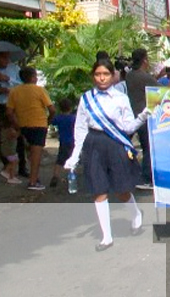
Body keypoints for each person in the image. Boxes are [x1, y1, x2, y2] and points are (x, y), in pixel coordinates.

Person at [64, 59, 150, 251]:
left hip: (116, 144)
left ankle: (136, 214)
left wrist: (143, 116)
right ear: (93, 76)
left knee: (121, 190)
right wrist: (74, 155)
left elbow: (127, 127)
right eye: (97, 74)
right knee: (98, 190)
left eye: (105, 74)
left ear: (113, 76)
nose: (102, 78)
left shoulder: (120, 98)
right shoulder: (86, 99)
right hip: (94, 145)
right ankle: (106, 237)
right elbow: (80, 128)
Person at [6, 66, 55, 191]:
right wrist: (48, 121)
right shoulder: (39, 90)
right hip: (39, 125)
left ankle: (34, 178)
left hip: (23, 125)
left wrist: (17, 125)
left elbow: (9, 112)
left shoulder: (14, 91)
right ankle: (33, 182)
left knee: (29, 153)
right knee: (36, 154)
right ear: (33, 77)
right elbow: (52, 109)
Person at [125, 48, 157, 189]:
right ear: (145, 60)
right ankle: (146, 178)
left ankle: (129, 172)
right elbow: (162, 90)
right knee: (148, 148)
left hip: (132, 114)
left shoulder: (129, 75)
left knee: (125, 143)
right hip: (145, 116)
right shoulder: (145, 77)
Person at [0, 47, 27, 177]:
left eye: (8, 57)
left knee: (17, 134)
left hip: (11, 104)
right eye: (4, 57)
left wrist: (8, 80)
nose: (7, 60)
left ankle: (22, 166)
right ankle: (7, 164)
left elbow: (22, 85)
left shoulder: (13, 69)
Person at [49, 98, 76, 188]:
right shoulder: (73, 118)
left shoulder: (58, 118)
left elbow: (51, 122)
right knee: (73, 159)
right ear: (70, 108)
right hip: (72, 142)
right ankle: (71, 177)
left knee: (59, 160)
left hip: (63, 142)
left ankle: (55, 176)